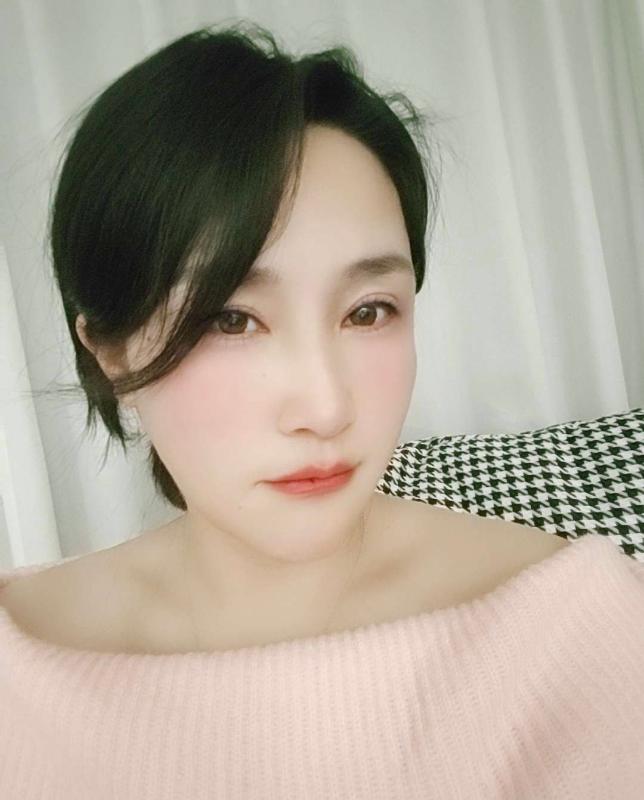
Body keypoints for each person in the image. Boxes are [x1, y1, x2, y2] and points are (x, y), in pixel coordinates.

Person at [1, 20, 643, 800]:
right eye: (230, 319)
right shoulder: (19, 674)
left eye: (369, 311)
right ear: (111, 351)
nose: (327, 406)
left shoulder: (583, 631)